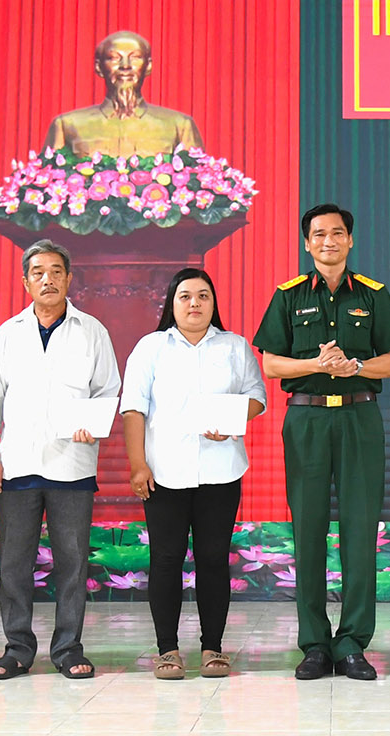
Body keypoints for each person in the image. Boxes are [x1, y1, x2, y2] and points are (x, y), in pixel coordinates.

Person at [253, 203, 390, 681]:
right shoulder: (289, 295)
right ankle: (315, 644)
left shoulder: (373, 295)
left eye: (337, 233)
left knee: (360, 531)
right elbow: (272, 364)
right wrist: (318, 365)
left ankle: (352, 642)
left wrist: (355, 366)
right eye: (319, 234)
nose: (328, 241)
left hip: (360, 417)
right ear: (307, 243)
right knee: (308, 530)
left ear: (350, 240)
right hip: (307, 419)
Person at [0, 239, 121, 680]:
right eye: (38, 272)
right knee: (14, 563)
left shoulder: (91, 330)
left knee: (72, 564)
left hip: (72, 464)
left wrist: (93, 424)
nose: (48, 279)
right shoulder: (8, 333)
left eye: (56, 271)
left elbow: (108, 389)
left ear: (69, 278)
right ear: (26, 282)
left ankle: (68, 649)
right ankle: (17, 649)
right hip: (17, 464)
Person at [120, 267, 267, 680]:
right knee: (166, 558)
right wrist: (137, 464)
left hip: (221, 470)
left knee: (214, 559)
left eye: (203, 296)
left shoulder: (235, 346)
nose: (195, 303)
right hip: (163, 471)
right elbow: (133, 408)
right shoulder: (151, 347)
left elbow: (257, 396)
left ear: (213, 303)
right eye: (185, 296)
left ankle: (212, 648)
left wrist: (234, 418)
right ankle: (167, 650)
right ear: (172, 303)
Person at [42, 30, 204, 158]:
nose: (125, 66)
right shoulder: (67, 125)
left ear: (148, 66)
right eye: (114, 58)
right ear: (99, 67)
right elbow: (48, 179)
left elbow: (199, 180)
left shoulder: (179, 126)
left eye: (135, 58)